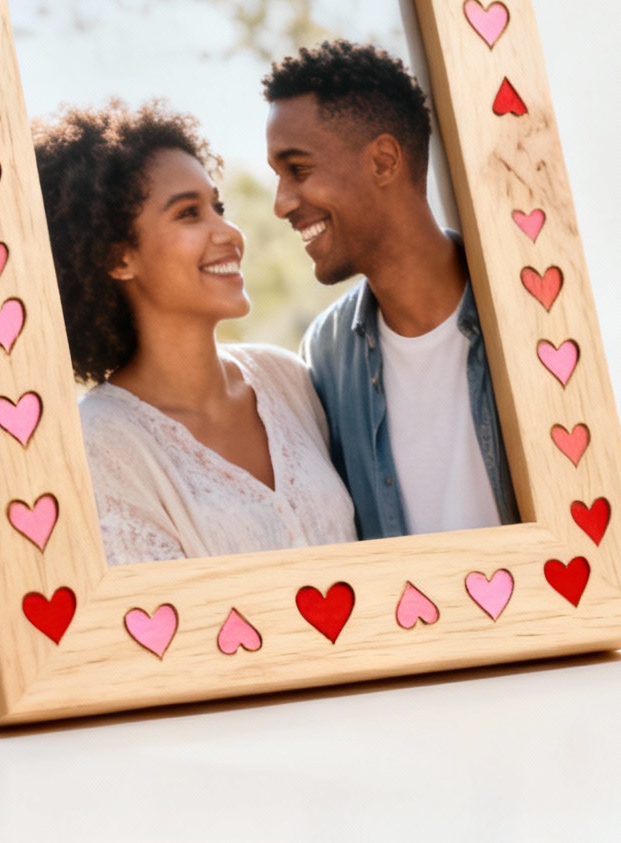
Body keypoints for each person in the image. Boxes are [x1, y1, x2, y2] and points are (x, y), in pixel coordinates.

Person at [35, 99, 358, 566]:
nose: (228, 232)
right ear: (117, 257)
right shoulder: (101, 444)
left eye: (217, 206)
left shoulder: (286, 379)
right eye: (189, 213)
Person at [264, 40, 520, 540]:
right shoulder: (326, 355)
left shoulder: (528, 310)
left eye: (298, 170)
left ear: (383, 161)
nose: (281, 204)